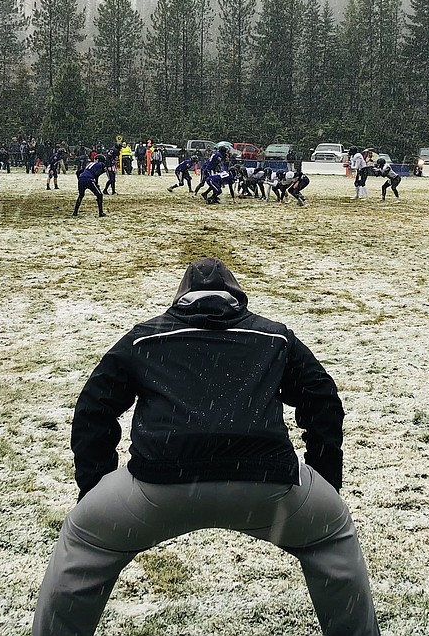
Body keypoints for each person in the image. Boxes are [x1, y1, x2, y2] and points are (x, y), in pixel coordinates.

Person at [32, 258, 379, 636]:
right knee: (330, 534)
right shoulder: (276, 337)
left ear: (181, 298)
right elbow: (323, 399)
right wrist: (325, 480)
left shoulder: (144, 338)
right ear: (236, 297)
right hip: (269, 486)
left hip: (157, 486)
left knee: (84, 540)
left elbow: (92, 410)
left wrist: (94, 487)